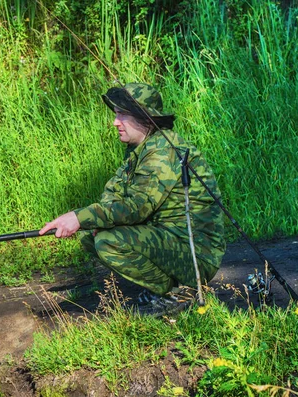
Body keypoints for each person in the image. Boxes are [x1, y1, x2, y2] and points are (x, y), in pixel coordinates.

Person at [39, 83, 226, 313]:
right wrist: (89, 220)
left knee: (108, 242)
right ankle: (166, 286)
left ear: (146, 119)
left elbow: (138, 207)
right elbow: (114, 194)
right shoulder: (141, 148)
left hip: (196, 256)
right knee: (93, 235)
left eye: (123, 115)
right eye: (116, 114)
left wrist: (80, 217)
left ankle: (177, 292)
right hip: (170, 239)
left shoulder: (161, 149)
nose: (115, 122)